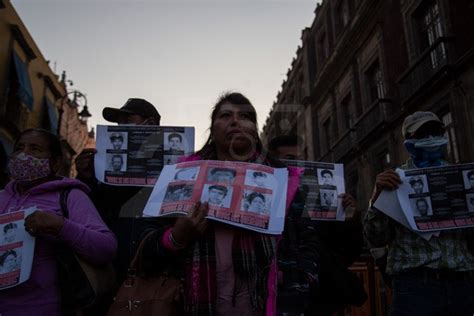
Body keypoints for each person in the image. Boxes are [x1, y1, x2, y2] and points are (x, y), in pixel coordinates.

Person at [140, 92, 321, 315]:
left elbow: (309, 241)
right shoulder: (181, 176)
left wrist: (301, 284)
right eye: (226, 115)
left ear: (255, 131)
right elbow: (144, 245)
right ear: (212, 130)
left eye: (244, 116)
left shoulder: (284, 180)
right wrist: (176, 237)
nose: (235, 121)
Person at [363, 111, 474, 315]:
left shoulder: (462, 178)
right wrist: (378, 198)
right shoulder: (395, 181)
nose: (431, 139)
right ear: (409, 142)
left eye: (435, 132)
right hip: (415, 285)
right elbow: (376, 237)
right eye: (423, 135)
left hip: (461, 281)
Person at [0, 128, 117, 315]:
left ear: (54, 163)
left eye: (35, 149)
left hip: (42, 308)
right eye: (19, 148)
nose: (24, 155)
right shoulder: (2, 197)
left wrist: (60, 226)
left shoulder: (70, 196)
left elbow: (106, 247)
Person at [268, 135, 366, 315]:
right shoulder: (267, 201)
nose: (298, 164)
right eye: (290, 159)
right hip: (282, 295)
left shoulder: (325, 201)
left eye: (301, 158)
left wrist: (351, 219)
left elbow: (349, 251)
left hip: (324, 297)